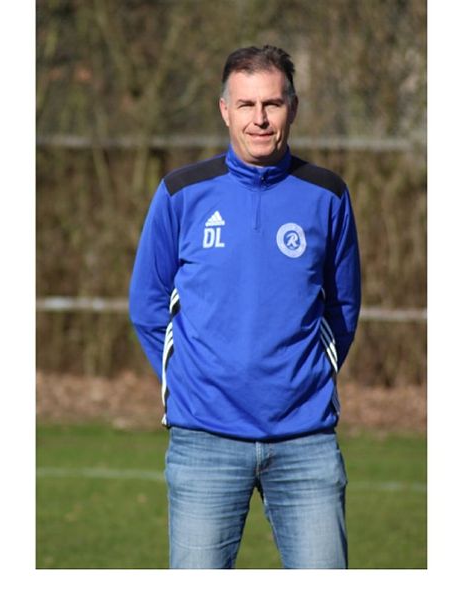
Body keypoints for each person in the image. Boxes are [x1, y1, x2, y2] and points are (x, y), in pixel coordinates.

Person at [129, 45, 361, 569]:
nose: (260, 118)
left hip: (305, 441)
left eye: (272, 104)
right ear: (224, 110)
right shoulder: (181, 193)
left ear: (292, 108)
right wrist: (188, 383)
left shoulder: (327, 195)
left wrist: (304, 380)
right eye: (246, 104)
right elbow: (147, 305)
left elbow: (343, 307)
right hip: (204, 439)